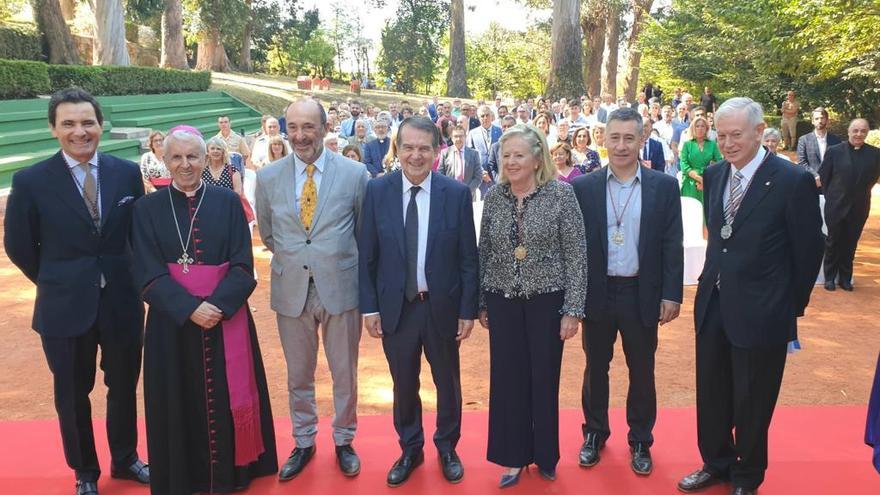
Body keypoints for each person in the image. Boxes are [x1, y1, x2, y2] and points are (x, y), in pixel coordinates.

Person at [3, 87, 149, 495]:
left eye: (87, 122)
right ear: (53, 129)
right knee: (71, 393)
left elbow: (136, 236)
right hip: (63, 307)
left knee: (122, 386)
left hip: (122, 302)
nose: (79, 131)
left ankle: (125, 459)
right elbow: (18, 246)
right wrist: (57, 281)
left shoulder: (126, 172)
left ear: (101, 125)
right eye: (68, 123)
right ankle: (85, 471)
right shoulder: (30, 181)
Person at [677, 97, 824, 495]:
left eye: (736, 135)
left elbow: (809, 250)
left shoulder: (792, 181)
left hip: (764, 313)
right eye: (721, 135)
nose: (727, 143)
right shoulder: (714, 174)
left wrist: (787, 306)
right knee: (713, 392)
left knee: (754, 400)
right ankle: (716, 462)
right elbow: (719, 242)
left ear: (760, 132)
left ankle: (747, 475)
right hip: (714, 305)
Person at [132, 130, 278, 494]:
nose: (185, 165)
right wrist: (190, 309)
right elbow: (146, 273)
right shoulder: (146, 208)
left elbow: (244, 266)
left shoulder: (228, 202)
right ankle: (184, 474)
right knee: (176, 398)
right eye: (177, 158)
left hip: (225, 316)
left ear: (206, 159)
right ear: (164, 161)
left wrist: (218, 306)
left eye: (193, 157)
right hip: (172, 324)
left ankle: (234, 473)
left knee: (228, 395)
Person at [358, 116, 479, 487]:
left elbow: (467, 259)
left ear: (436, 152)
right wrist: (370, 307)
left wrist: (467, 311)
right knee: (404, 384)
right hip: (397, 309)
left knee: (447, 382)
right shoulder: (377, 191)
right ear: (398, 149)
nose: (415, 155)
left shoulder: (455, 194)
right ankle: (411, 447)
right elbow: (367, 256)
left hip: (440, 307)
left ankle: (446, 446)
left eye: (424, 148)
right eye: (408, 147)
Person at [255, 99, 369, 480]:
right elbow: (270, 234)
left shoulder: (355, 174)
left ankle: (343, 439)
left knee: (344, 372)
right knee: (298, 374)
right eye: (293, 127)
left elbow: (362, 231)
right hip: (291, 290)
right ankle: (304, 441)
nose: (300, 135)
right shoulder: (269, 178)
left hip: (340, 287)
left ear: (324, 128)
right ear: (284, 129)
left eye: (308, 127)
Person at [572, 107, 683, 477]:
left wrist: (672, 294)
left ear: (642, 140)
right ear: (603, 140)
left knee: (642, 368)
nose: (621, 146)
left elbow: (672, 244)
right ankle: (594, 433)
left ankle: (640, 439)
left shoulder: (664, 186)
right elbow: (573, 248)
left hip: (642, 292)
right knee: (595, 368)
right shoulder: (583, 188)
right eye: (614, 137)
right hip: (598, 292)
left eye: (629, 138)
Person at [479, 124, 586, 487]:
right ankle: (513, 458)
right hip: (502, 300)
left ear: (537, 157)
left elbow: (577, 255)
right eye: (506, 155)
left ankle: (544, 455)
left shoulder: (561, 195)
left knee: (543, 379)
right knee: (508, 381)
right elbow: (485, 253)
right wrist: (482, 301)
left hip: (548, 302)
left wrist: (573, 309)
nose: (511, 162)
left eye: (519, 155)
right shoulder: (494, 197)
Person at [819, 118, 880, 292]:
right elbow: (825, 177)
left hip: (860, 207)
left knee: (850, 243)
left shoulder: (875, 154)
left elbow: (874, 178)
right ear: (848, 131)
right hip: (836, 205)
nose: (858, 134)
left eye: (862, 131)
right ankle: (829, 277)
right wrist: (834, 196)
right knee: (833, 241)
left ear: (867, 132)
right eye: (855, 130)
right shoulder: (834, 151)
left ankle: (845, 279)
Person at [679, 116, 723, 206]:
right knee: (692, 211)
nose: (700, 128)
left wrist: (707, 178)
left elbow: (720, 162)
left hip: (708, 182)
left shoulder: (712, 144)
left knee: (707, 211)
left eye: (702, 126)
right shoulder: (687, 144)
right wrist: (699, 178)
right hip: (690, 183)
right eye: (697, 126)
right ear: (693, 128)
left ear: (707, 128)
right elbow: (683, 164)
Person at [797, 107, 842, 188]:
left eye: (822, 118)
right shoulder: (804, 140)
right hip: (811, 182)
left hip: (832, 184)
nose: (820, 121)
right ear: (812, 121)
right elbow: (802, 162)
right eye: (816, 118)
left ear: (827, 120)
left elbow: (839, 162)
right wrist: (815, 176)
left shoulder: (836, 140)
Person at [438, 125, 483, 200]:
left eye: (461, 136)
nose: (458, 139)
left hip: (468, 195)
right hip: (449, 195)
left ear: (465, 137)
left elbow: (478, 177)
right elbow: (440, 174)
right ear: (452, 138)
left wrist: (467, 191)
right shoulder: (445, 153)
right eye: (456, 136)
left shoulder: (474, 154)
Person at [486, 115, 517, 183]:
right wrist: (498, 179)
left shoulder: (522, 145)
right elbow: (490, 167)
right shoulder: (495, 147)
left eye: (509, 126)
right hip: (501, 184)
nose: (507, 128)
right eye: (504, 126)